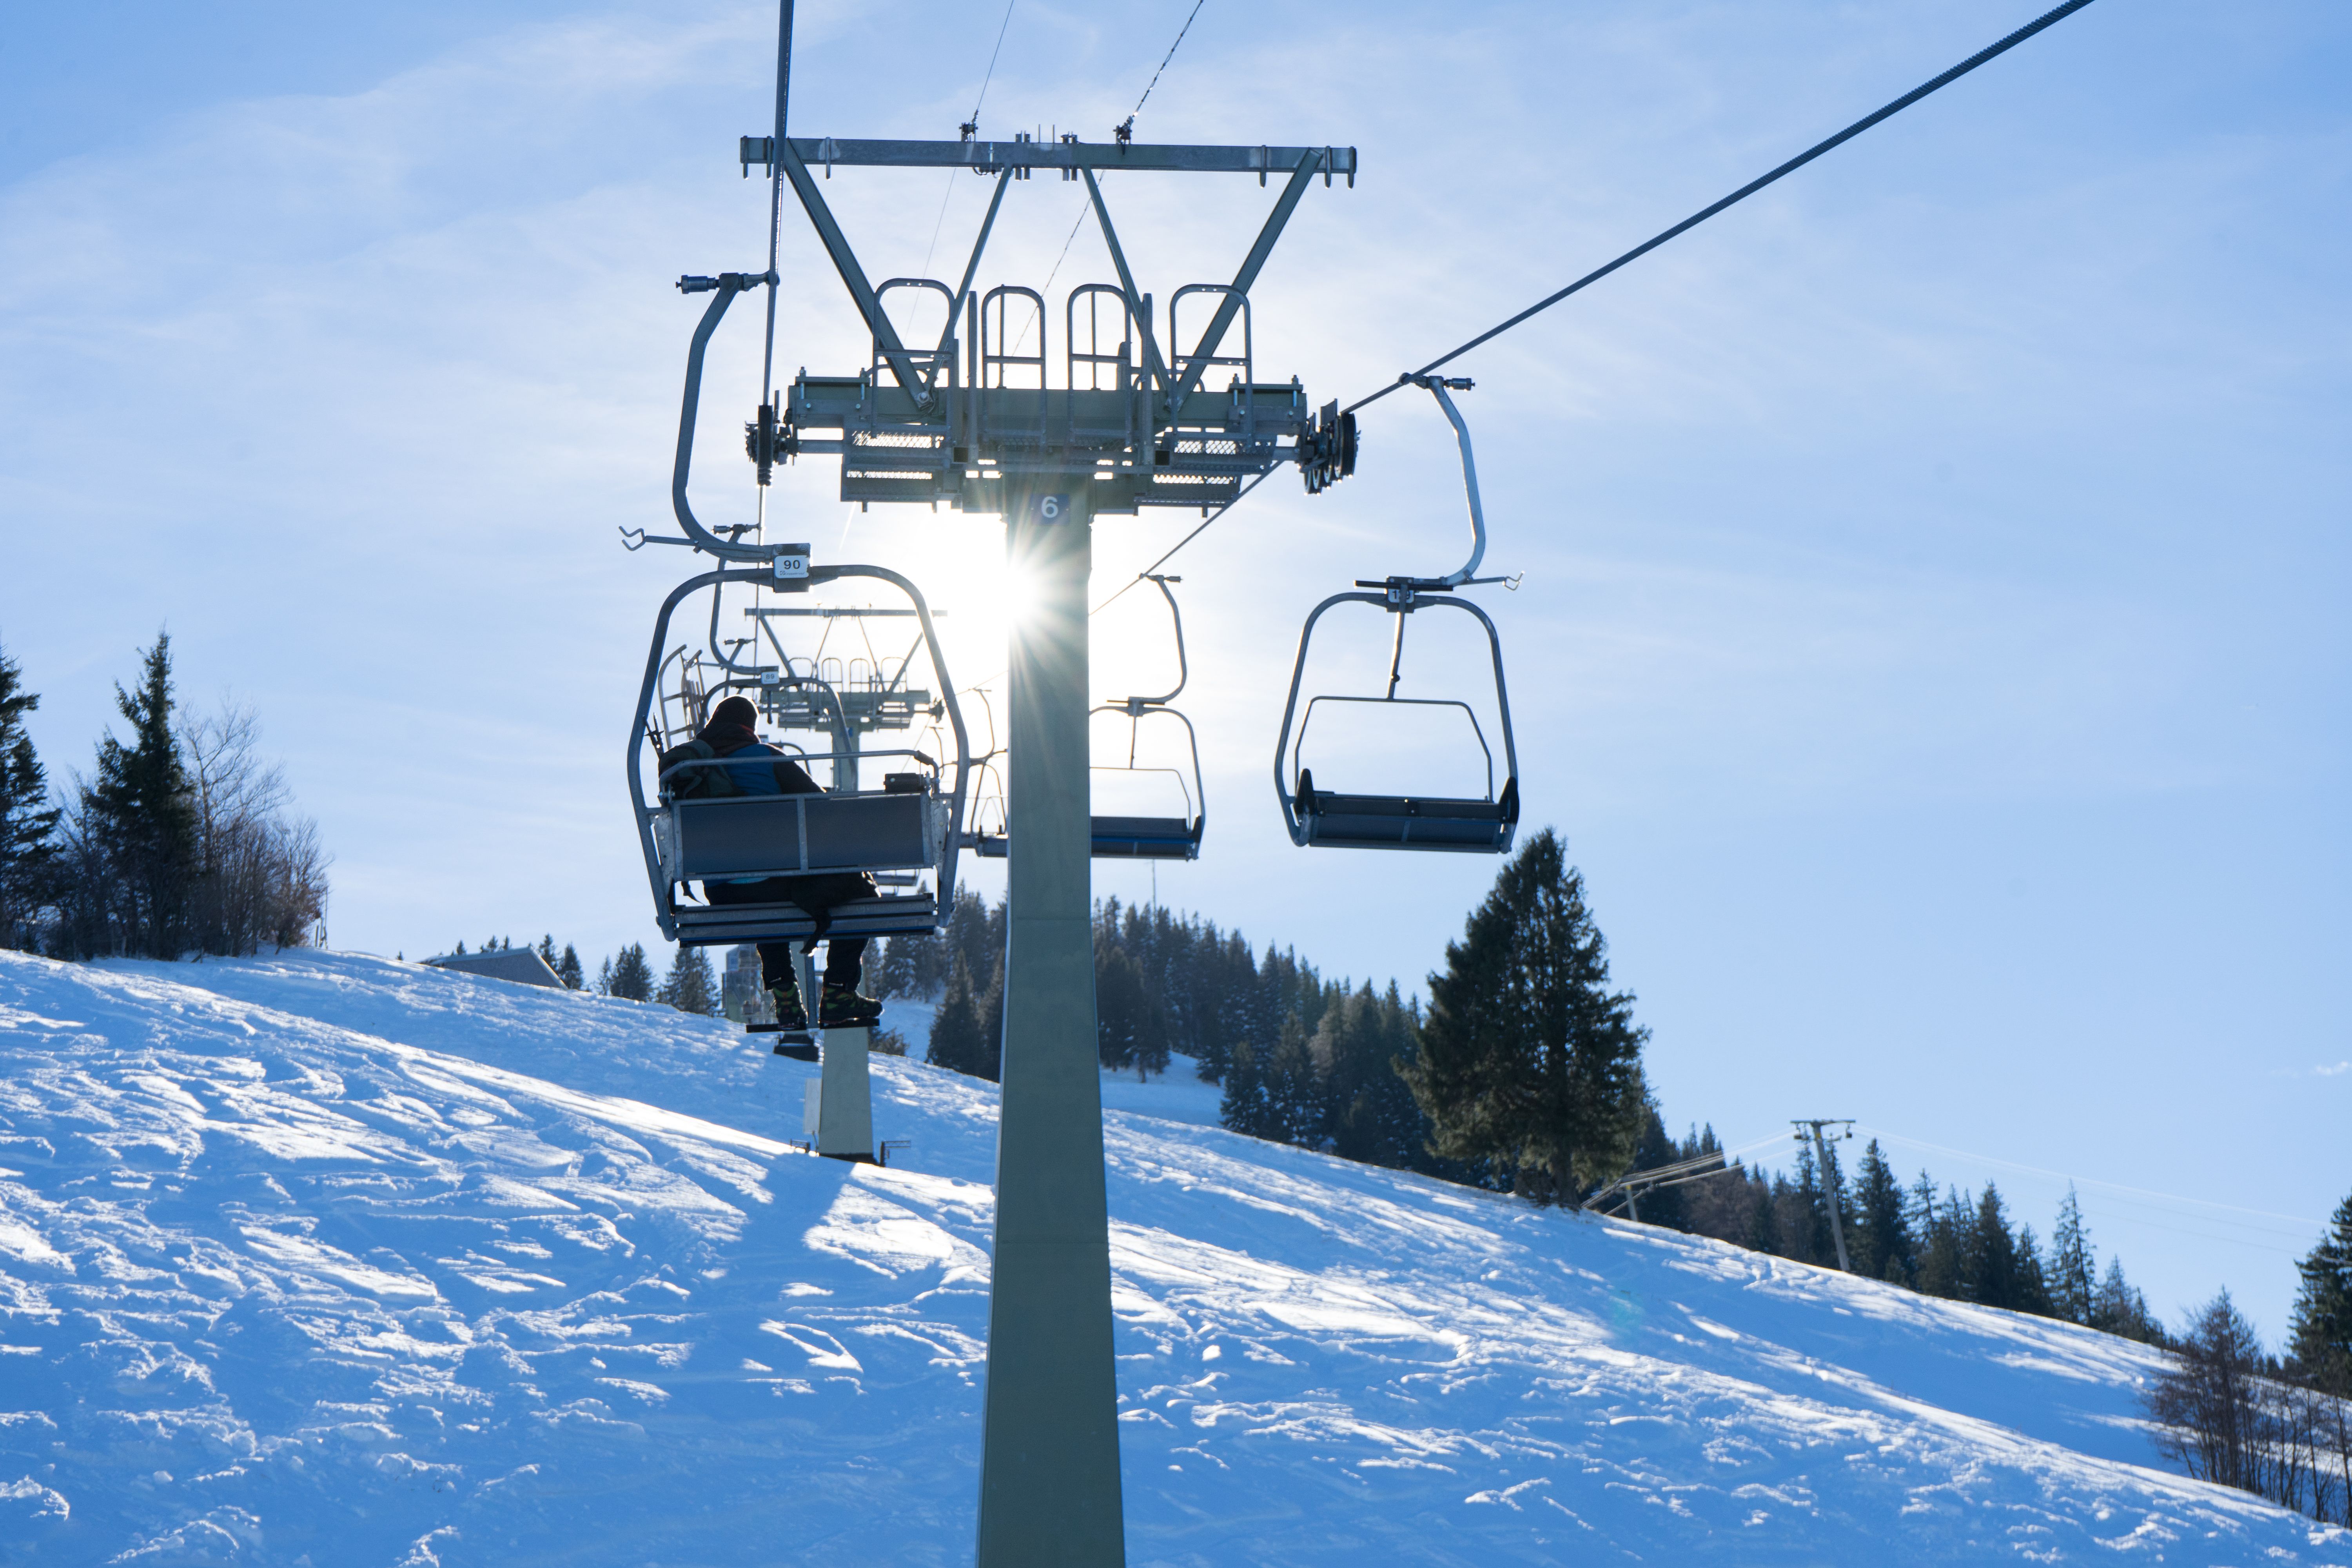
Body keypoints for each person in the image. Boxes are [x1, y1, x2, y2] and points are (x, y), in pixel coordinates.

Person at [666, 694, 882, 1031]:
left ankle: (786, 999)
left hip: (723, 892)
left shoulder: (691, 770)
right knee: (862, 891)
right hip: (773, 884)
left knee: (763, 905)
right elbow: (820, 806)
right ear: (748, 727)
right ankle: (839, 991)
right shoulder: (765, 757)